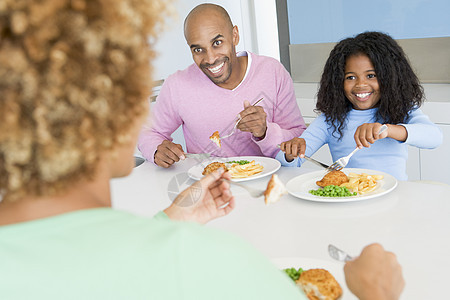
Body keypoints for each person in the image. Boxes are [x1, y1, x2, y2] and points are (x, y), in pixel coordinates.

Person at [0, 1, 404, 299]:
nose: (208, 57)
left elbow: (107, 261)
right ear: (118, 123)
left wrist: (171, 219)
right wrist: (373, 293)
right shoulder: (215, 262)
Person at [137, 3, 306, 168]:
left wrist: (265, 132)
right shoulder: (177, 85)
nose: (210, 59)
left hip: (267, 187)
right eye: (198, 50)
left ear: (235, 36)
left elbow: (298, 136)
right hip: (209, 188)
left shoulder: (273, 72)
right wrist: (156, 149)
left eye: (217, 43)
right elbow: (149, 133)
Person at [278, 31, 442, 180]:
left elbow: (434, 137)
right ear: (337, 82)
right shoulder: (330, 120)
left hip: (395, 196)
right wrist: (291, 153)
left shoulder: (401, 110)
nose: (361, 85)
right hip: (351, 197)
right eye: (350, 77)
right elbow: (289, 163)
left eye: (371, 75)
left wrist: (387, 129)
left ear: (390, 77)